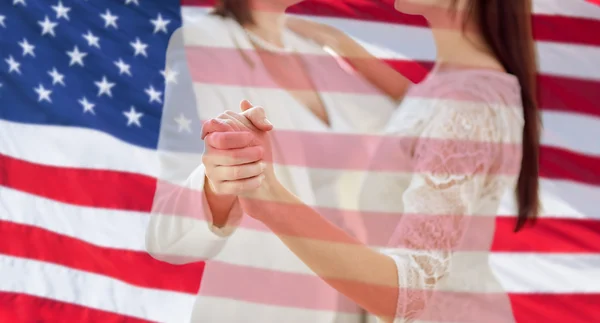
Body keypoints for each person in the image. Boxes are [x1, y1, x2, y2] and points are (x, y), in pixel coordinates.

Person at [200, 0, 541, 322]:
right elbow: (420, 106)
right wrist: (340, 43)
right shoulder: (457, 84)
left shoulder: (464, 105)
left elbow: (410, 292)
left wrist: (268, 196)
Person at [145, 0, 410, 322]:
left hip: (360, 303)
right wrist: (222, 180)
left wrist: (343, 44)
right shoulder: (203, 45)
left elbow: (423, 124)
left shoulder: (311, 48)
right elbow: (169, 237)